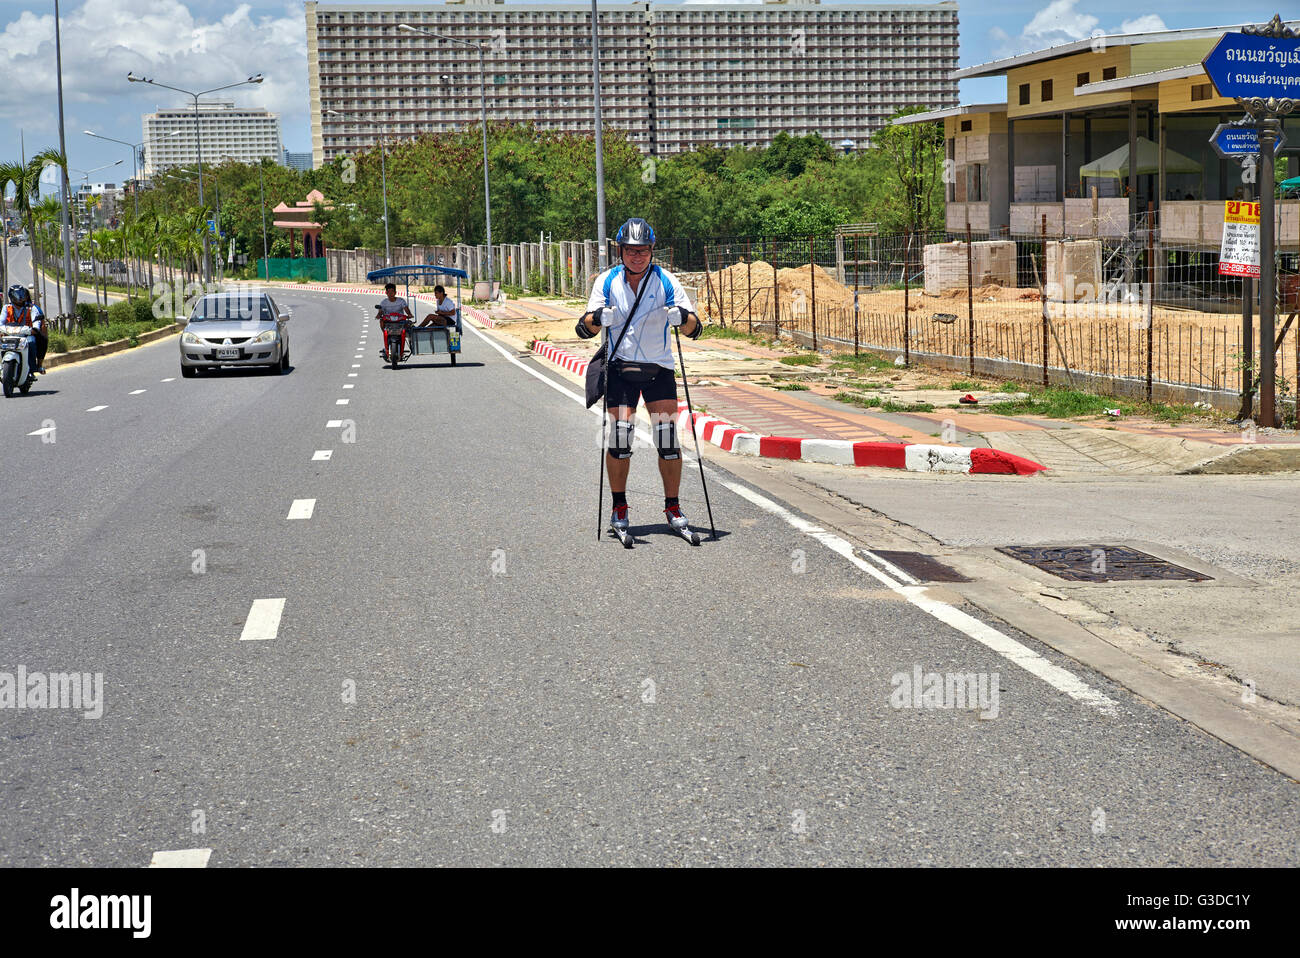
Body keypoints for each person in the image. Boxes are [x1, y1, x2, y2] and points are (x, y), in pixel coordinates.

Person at [576, 218, 702, 540]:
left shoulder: (667, 282)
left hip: (658, 371)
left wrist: (683, 318)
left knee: (669, 442)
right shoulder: (607, 282)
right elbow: (582, 329)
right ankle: (620, 508)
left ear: (651, 251)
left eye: (643, 251)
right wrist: (597, 319)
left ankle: (673, 507)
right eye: (631, 251)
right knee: (619, 439)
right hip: (621, 371)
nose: (637, 257)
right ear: (621, 251)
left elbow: (696, 330)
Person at [2, 284, 46, 374]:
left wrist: (35, 328)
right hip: (9, 335)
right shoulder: (6, 308)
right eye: (17, 295)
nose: (20, 298)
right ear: (12, 296)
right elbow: (1, 322)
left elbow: (36, 321)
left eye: (22, 295)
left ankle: (32, 369)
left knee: (32, 342)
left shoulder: (31, 308)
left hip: (27, 335)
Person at [376, 282, 412, 360]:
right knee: (381, 321)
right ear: (386, 293)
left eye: (392, 291)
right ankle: (387, 338)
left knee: (409, 326)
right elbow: (380, 312)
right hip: (388, 322)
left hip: (400, 322)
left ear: (395, 292)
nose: (390, 293)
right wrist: (378, 315)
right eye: (388, 292)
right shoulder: (383, 302)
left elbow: (406, 309)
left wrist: (409, 314)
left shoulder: (401, 301)